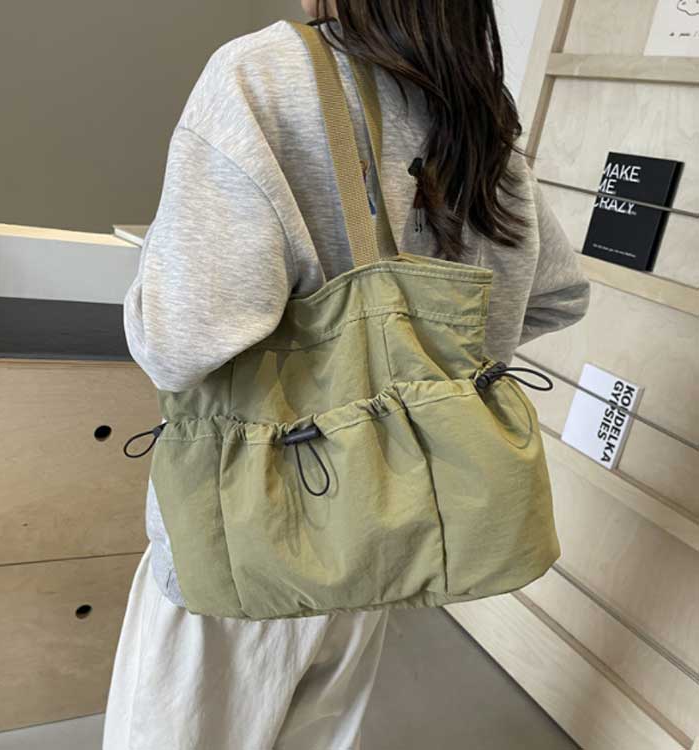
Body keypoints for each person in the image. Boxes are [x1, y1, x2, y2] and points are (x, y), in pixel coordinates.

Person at [103, 1, 591, 748]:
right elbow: (556, 293)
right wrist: (427, 362)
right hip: (382, 527)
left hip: (251, 523)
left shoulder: (262, 75)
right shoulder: (474, 101)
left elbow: (181, 340)